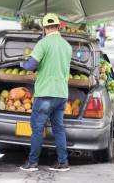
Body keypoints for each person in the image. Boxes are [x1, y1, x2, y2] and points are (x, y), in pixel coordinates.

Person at [20, 13, 72, 172]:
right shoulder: (67, 46)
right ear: (58, 26)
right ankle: (63, 163)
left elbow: (31, 65)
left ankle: (33, 163)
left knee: (37, 128)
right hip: (61, 94)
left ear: (44, 28)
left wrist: (23, 63)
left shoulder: (43, 43)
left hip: (45, 94)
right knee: (58, 129)